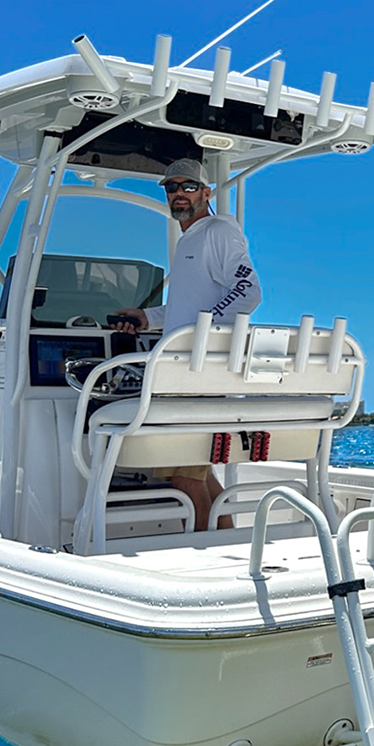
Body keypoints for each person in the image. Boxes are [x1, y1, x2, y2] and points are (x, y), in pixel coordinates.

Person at [109, 156, 262, 530]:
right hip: (186, 372)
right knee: (199, 474)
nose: (180, 193)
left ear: (206, 192)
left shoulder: (218, 231)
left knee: (183, 476)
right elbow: (189, 307)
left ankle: (206, 553)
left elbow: (247, 290)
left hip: (197, 373)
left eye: (189, 186)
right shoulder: (190, 240)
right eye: (172, 187)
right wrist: (149, 318)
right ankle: (226, 544)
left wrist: (200, 335)